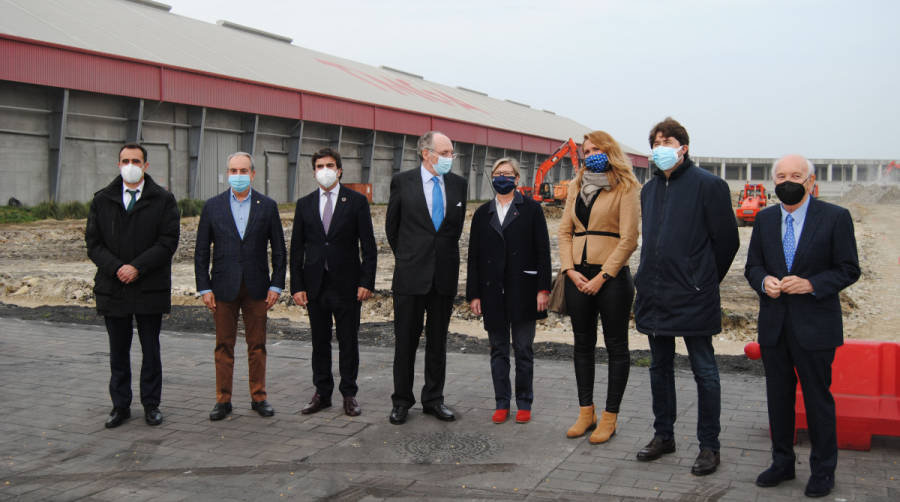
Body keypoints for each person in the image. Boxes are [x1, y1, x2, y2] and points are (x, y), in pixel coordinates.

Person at [745, 154, 860, 498]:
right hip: (774, 327)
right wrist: (765, 282)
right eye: (781, 176)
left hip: (816, 327)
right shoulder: (764, 219)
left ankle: (823, 470)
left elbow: (848, 269)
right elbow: (752, 267)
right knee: (778, 399)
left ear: (810, 181)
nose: (787, 181)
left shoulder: (835, 218)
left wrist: (811, 284)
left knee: (817, 400)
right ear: (773, 181)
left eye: (796, 175)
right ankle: (782, 462)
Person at [633, 117, 739, 475]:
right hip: (655, 295)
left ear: (683, 147)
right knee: (659, 368)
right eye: (655, 143)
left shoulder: (709, 186)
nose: (660, 148)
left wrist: (703, 280)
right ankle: (664, 435)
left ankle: (709, 445)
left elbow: (727, 242)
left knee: (705, 370)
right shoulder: (648, 190)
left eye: (667, 141)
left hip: (694, 296)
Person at [85, 143, 180, 428]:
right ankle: (120, 406)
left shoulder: (163, 200)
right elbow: (94, 243)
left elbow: (167, 241)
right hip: (113, 287)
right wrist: (117, 268)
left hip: (149, 286)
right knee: (118, 351)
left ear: (145, 166)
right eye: (125, 160)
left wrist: (137, 267)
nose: (130, 165)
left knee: (150, 349)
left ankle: (151, 405)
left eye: (136, 160)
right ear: (118, 164)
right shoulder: (102, 200)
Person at [558, 131, 640, 443]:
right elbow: (565, 230)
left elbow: (630, 238)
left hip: (612, 278)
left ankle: (610, 416)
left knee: (616, 346)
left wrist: (603, 276)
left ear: (609, 151)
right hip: (578, 274)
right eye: (586, 149)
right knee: (582, 344)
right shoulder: (577, 185)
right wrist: (569, 269)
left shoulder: (627, 187)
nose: (590, 153)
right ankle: (585, 411)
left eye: (596, 149)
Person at [195, 152, 286, 421]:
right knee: (223, 345)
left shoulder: (267, 206)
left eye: (243, 170)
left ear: (253, 174)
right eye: (233, 171)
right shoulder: (212, 206)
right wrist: (204, 287)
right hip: (223, 287)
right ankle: (223, 400)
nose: (238, 176)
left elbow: (279, 251)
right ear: (227, 174)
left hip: (258, 287)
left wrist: (277, 285)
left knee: (257, 345)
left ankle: (259, 397)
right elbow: (201, 252)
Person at [385, 130, 468, 425]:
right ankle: (401, 401)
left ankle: (434, 399)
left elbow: (452, 231)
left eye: (451, 154)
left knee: (437, 342)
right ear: (426, 153)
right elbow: (392, 229)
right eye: (444, 153)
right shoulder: (402, 182)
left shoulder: (459, 185)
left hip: (443, 277)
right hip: (410, 276)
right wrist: (409, 257)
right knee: (405, 342)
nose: (449, 159)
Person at [290, 148, 377, 417]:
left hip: (347, 285)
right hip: (316, 284)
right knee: (319, 342)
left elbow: (369, 246)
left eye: (329, 165)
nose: (324, 170)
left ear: (339, 170)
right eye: (319, 166)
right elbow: (296, 249)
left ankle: (349, 394)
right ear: (314, 171)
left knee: (348, 341)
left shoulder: (356, 201)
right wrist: (297, 286)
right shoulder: (304, 204)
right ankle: (322, 393)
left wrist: (366, 281)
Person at [466, 157, 551, 424]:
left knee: (524, 348)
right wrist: (474, 294)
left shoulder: (532, 210)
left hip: (523, 289)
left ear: (517, 179)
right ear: (492, 178)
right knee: (498, 350)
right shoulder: (482, 214)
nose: (502, 177)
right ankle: (502, 402)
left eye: (507, 173)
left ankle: (524, 402)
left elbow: (543, 252)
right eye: (497, 173)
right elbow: (474, 257)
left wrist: (543, 290)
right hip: (492, 291)